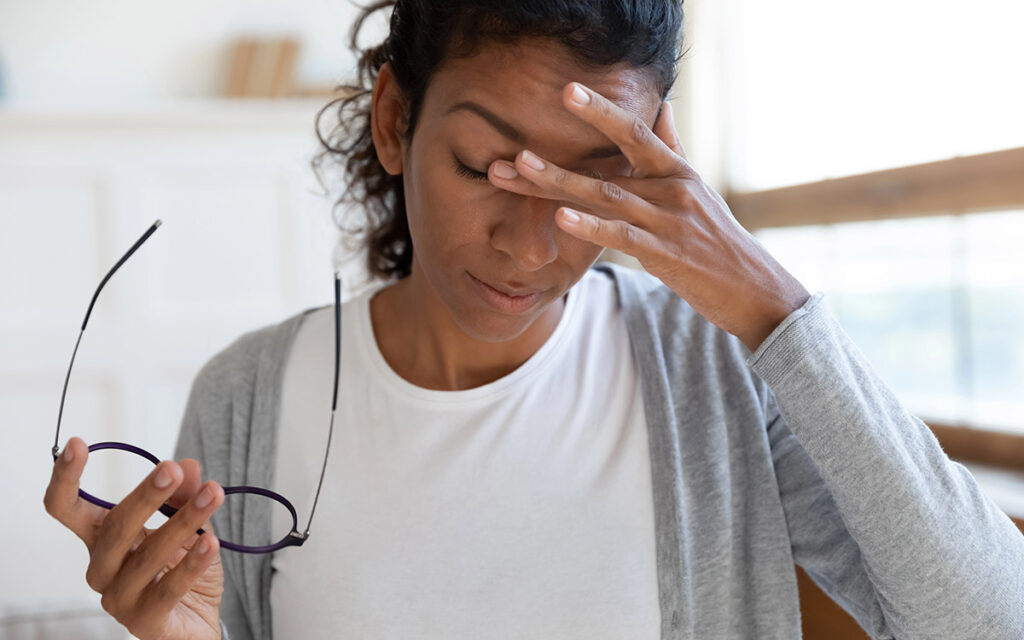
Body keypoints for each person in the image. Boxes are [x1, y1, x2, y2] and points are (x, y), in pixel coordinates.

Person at [44, 1, 1024, 639]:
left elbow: (993, 620)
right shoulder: (249, 394)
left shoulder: (719, 373)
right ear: (393, 122)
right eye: (482, 167)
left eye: (589, 182)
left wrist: (772, 305)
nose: (527, 246)